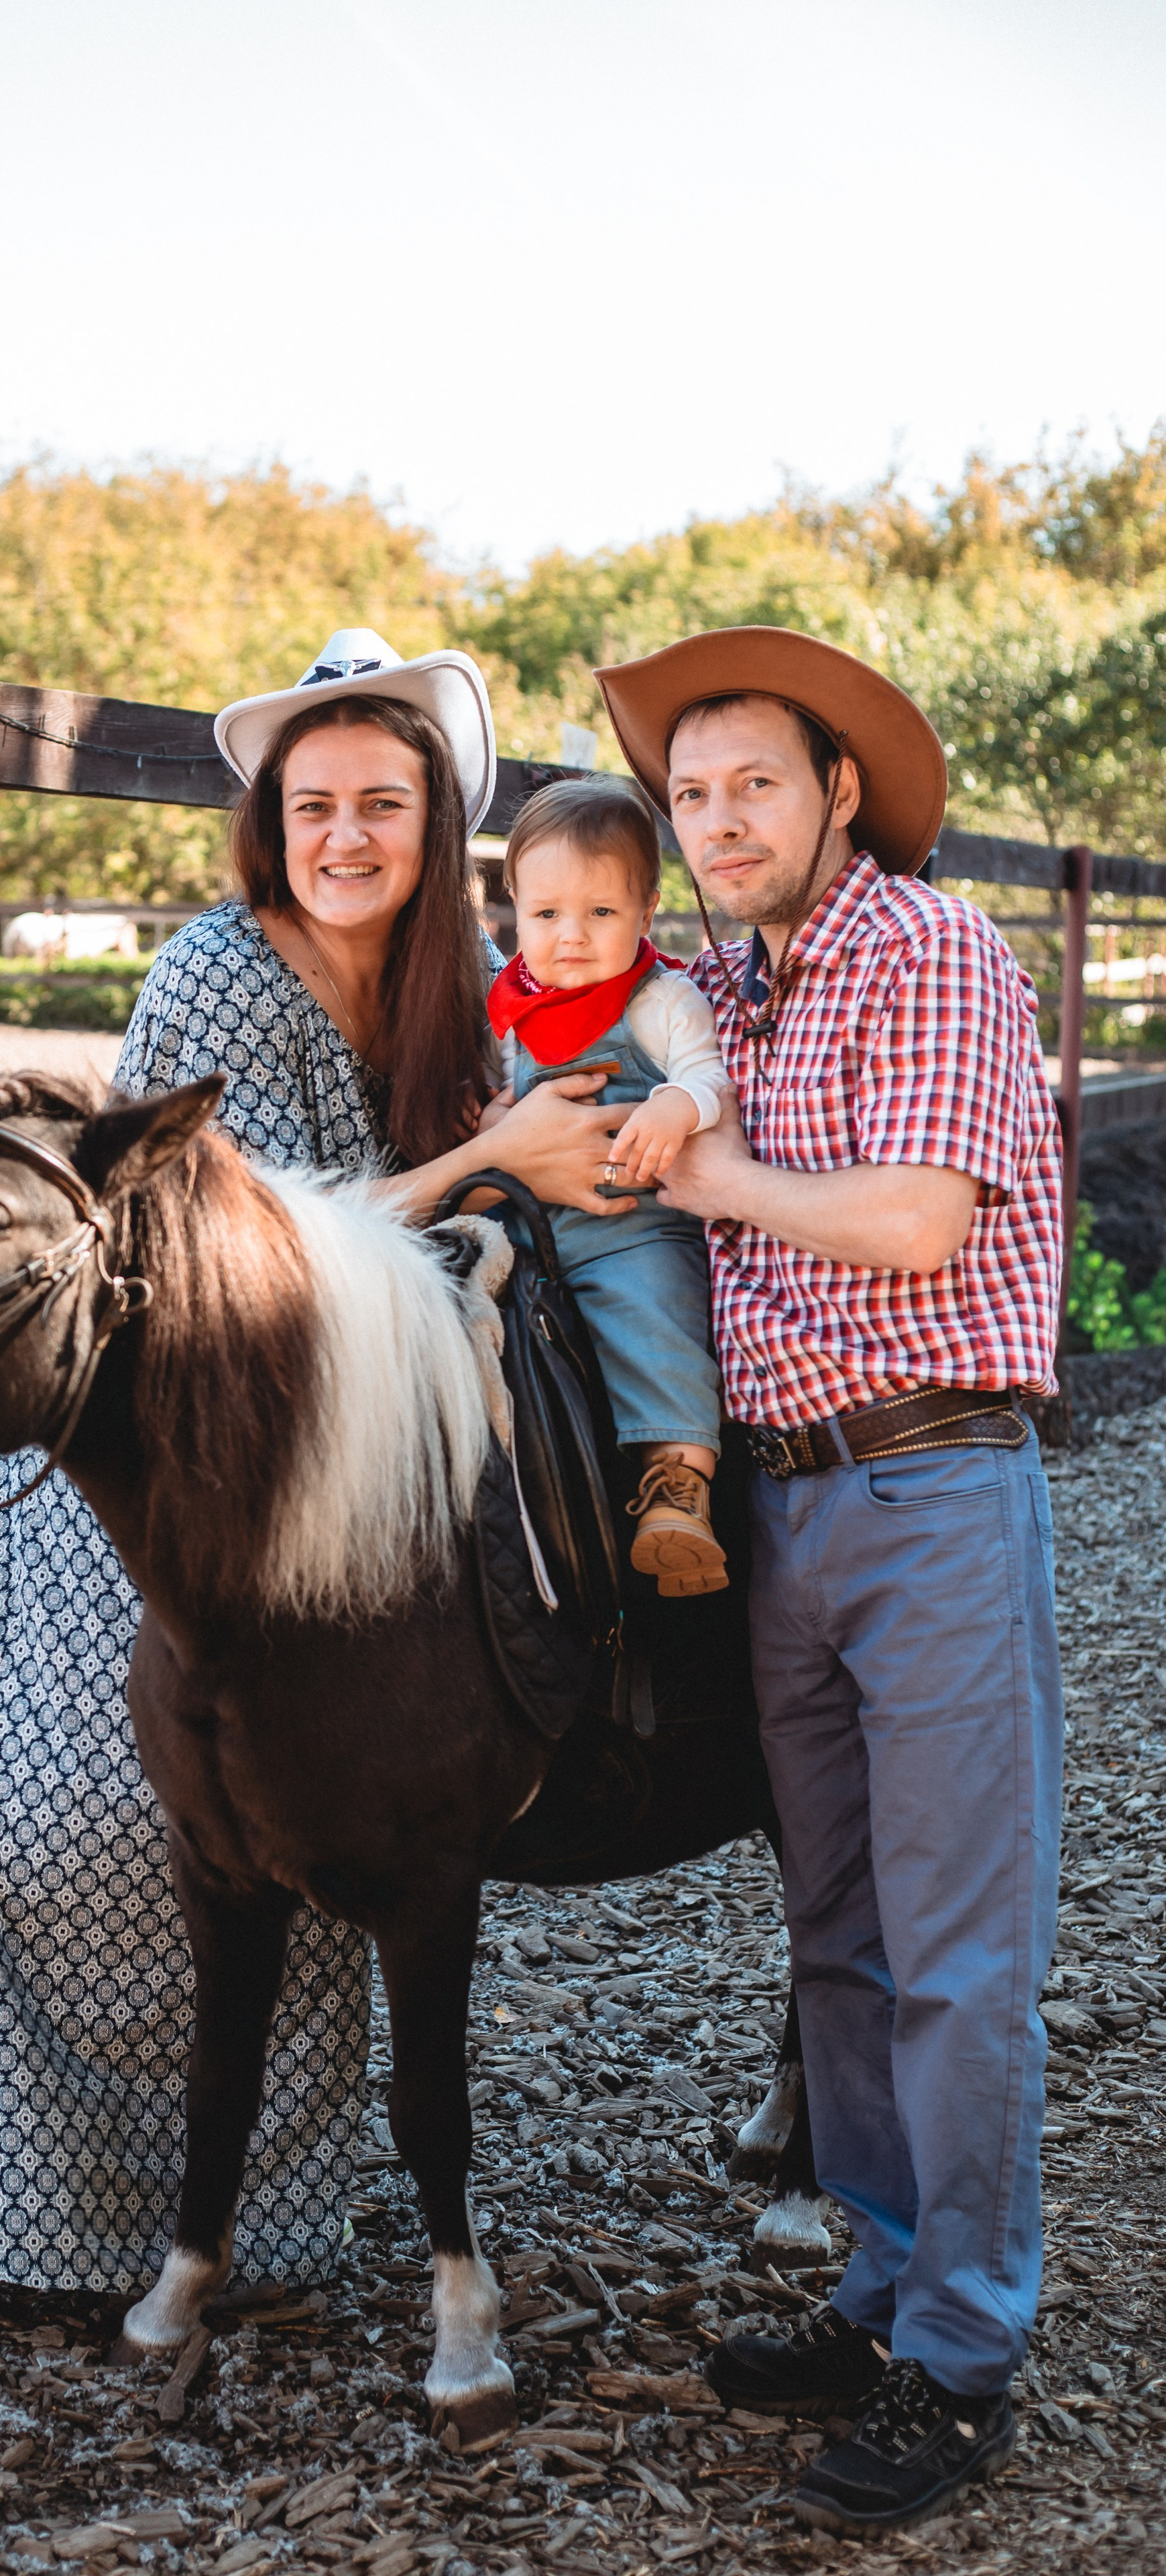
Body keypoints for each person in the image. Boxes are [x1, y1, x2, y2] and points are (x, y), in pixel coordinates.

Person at [0, 628, 632, 2295]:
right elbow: (213, 1258)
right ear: (269, 823)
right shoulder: (210, 974)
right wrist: (485, 1156)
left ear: (433, 814)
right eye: (313, 803)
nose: (344, 836)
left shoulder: (462, 978)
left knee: (322, 1790)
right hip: (183, 1442)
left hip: (327, 1456)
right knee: (84, 1816)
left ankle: (232, 2223)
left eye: (381, 803)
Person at [595, 628, 1062, 2539]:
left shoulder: (929, 952)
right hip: (785, 1513)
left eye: (754, 786)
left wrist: (707, 1183)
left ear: (839, 794)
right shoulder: (716, 989)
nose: (718, 823)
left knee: (960, 1953)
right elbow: (555, 1000)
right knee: (842, 1945)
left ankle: (963, 2354)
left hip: (936, 1482)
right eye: (692, 796)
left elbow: (916, 1215)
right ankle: (879, 2289)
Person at [485, 776, 727, 1593]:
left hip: (630, 1228)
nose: (572, 937)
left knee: (658, 1318)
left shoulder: (658, 999)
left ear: (645, 911)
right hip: (529, 1232)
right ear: (514, 905)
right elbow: (496, 1102)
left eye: (601, 913)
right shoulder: (514, 1008)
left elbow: (711, 1077)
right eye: (547, 915)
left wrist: (676, 1103)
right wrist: (490, 1122)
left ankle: (678, 1486)